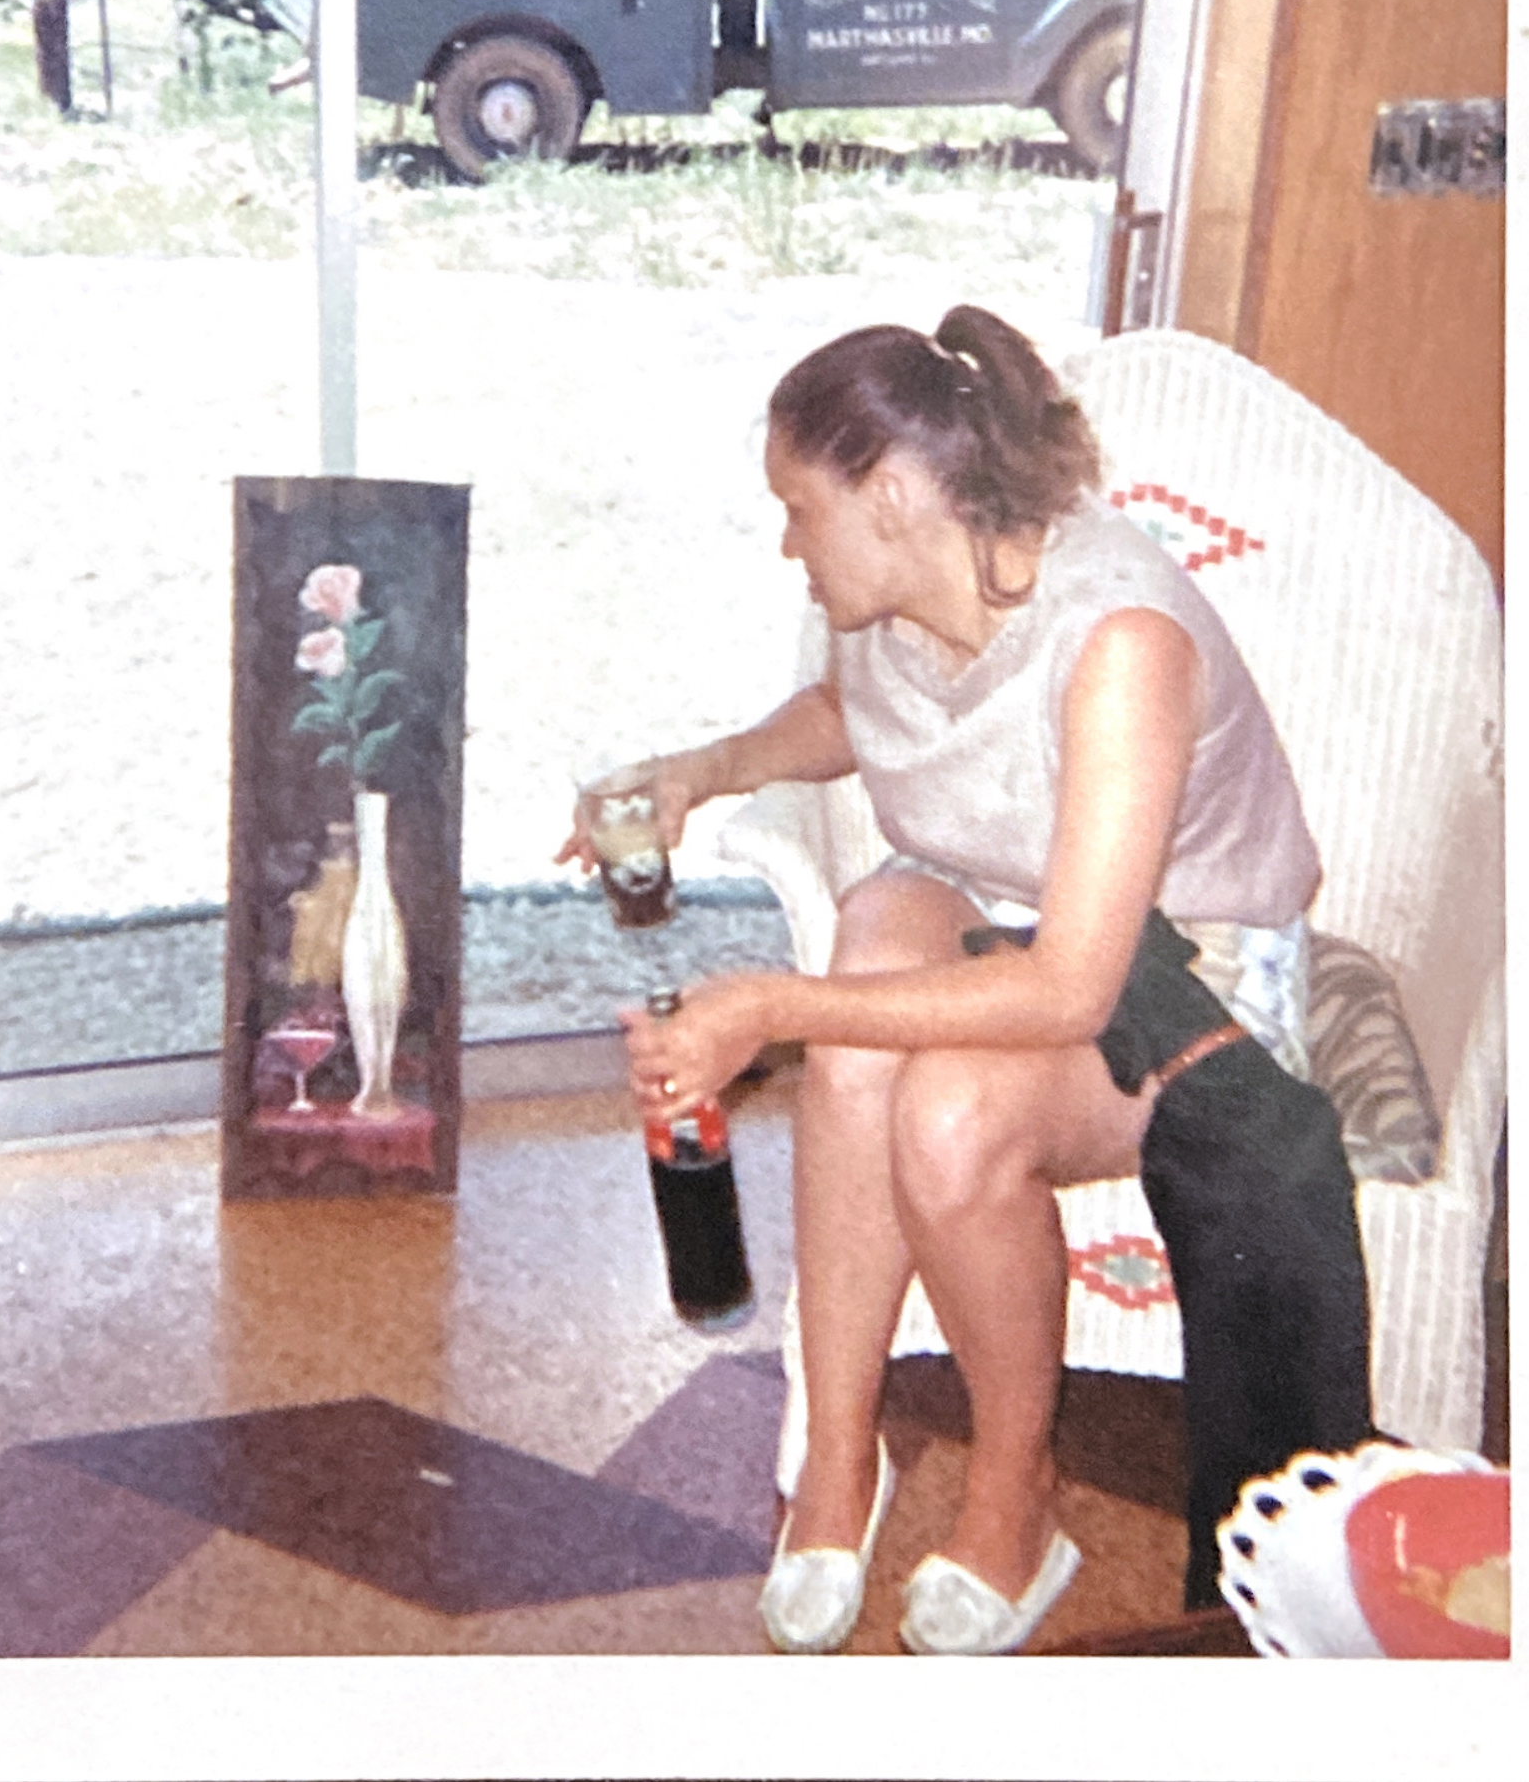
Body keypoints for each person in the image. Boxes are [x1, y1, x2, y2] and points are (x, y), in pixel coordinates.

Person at [560, 306, 1327, 1655]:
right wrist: (703, 771)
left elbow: (1070, 993)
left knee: (953, 1114)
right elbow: (856, 716)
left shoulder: (1120, 642)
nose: (788, 544)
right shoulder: (904, 591)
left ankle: (1016, 1484)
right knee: (874, 927)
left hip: (1186, 982)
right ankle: (842, 1461)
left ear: (896, 493)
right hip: (998, 911)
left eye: (800, 510)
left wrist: (768, 1012)